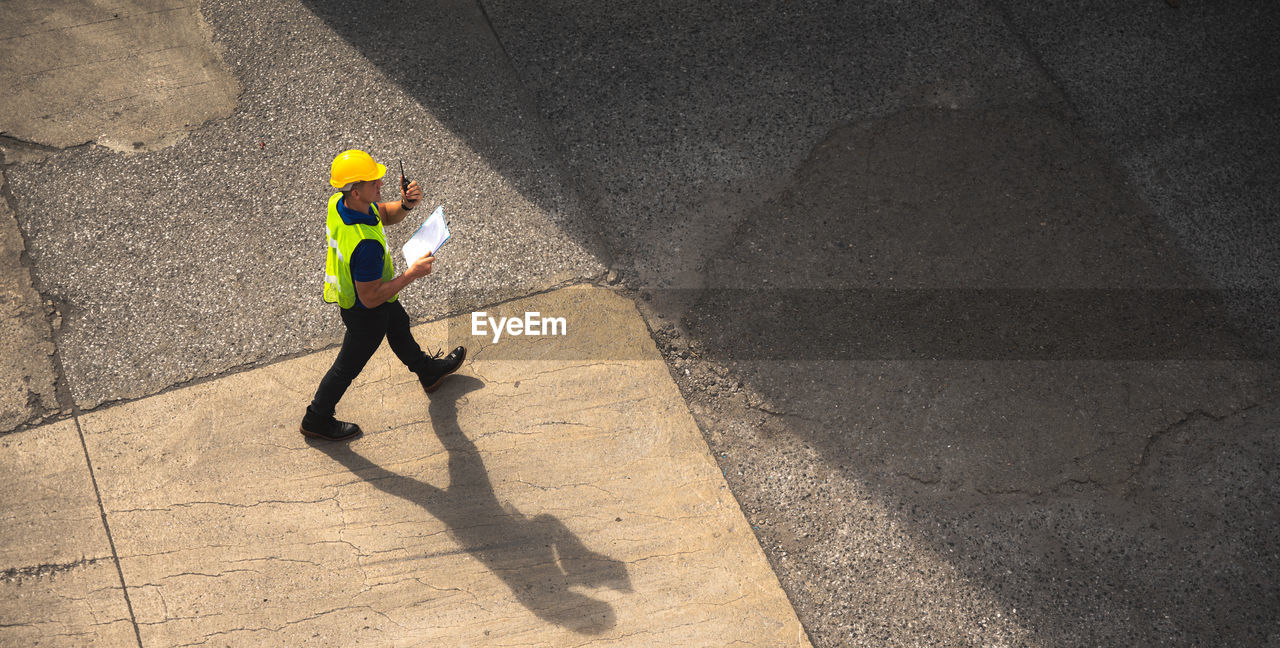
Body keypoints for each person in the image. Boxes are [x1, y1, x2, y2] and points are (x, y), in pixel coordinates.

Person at [301, 149, 466, 441]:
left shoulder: (339, 203)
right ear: (355, 192)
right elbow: (371, 297)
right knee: (346, 367)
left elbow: (384, 214)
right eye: (373, 181)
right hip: (365, 313)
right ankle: (316, 418)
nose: (381, 183)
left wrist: (405, 205)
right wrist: (411, 274)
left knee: (399, 326)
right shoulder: (366, 247)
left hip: (368, 301)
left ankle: (427, 372)